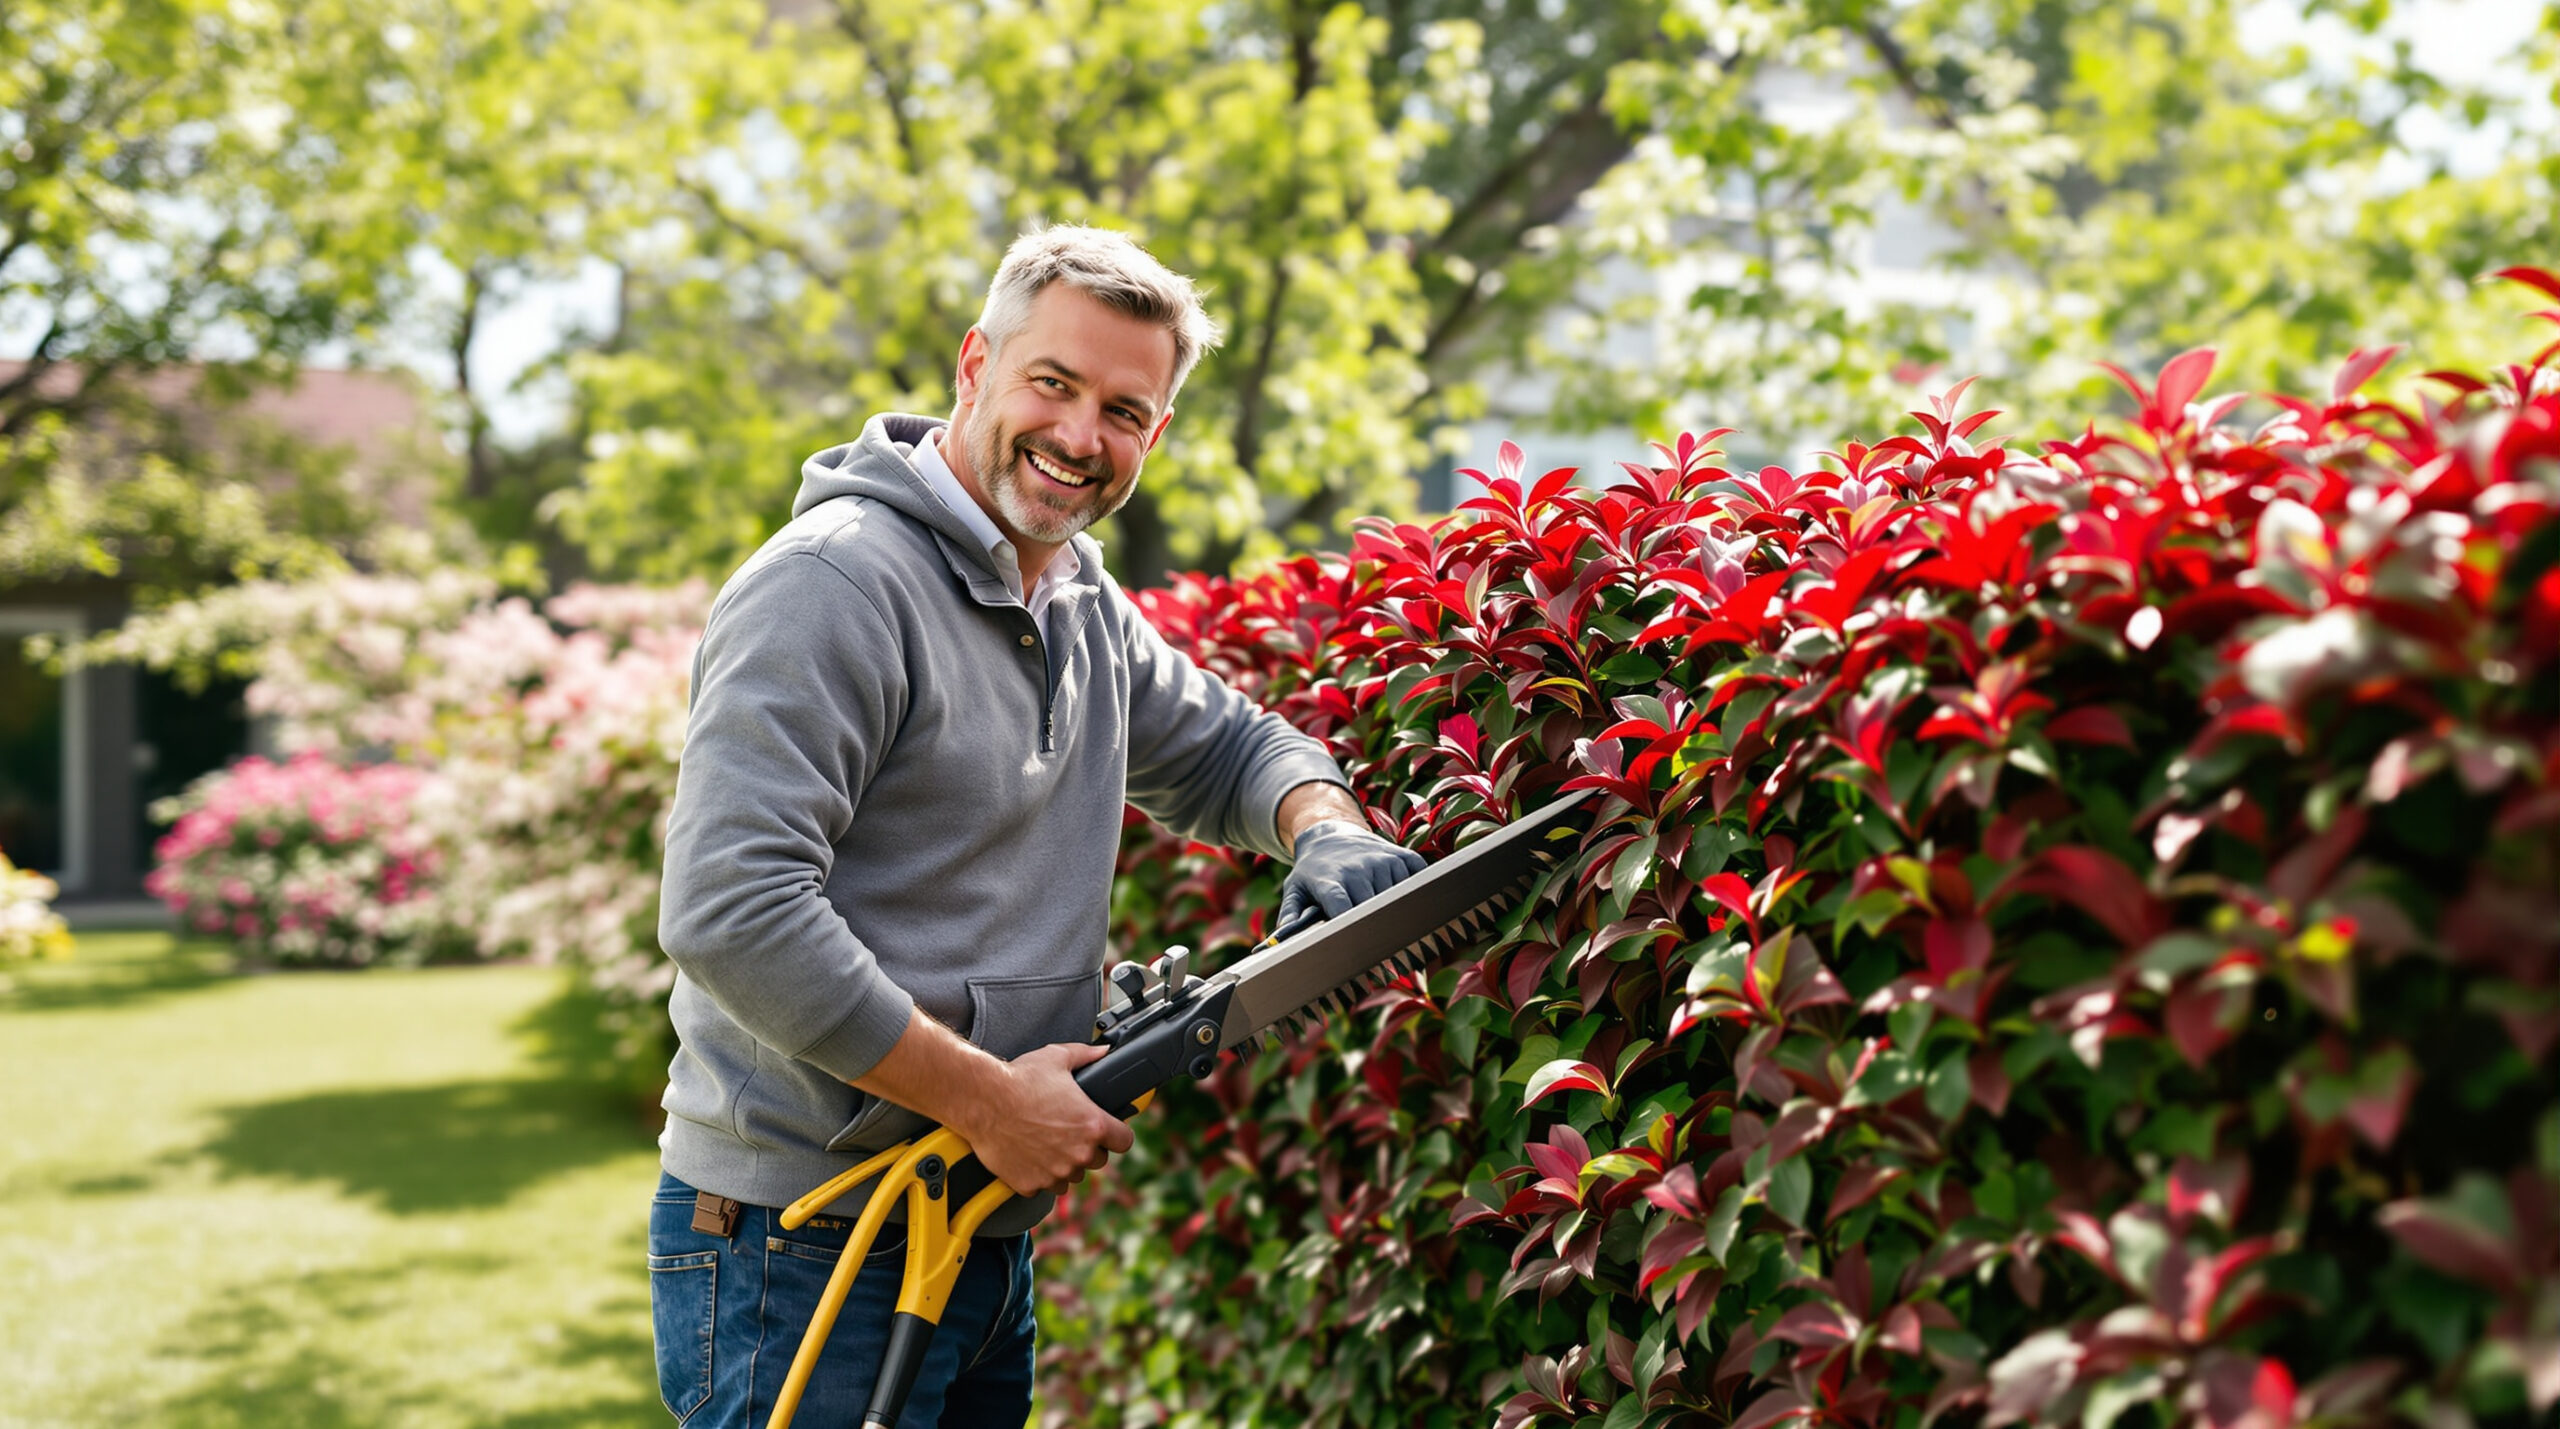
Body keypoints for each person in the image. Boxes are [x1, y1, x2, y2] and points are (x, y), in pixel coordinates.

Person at [647, 225, 1425, 1428]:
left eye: (1124, 408)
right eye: (1051, 384)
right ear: (975, 366)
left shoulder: (1073, 598)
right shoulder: (835, 585)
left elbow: (1228, 748)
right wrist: (987, 1100)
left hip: (968, 1230)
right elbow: (731, 912)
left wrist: (1320, 824)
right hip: (796, 1248)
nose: (1079, 436)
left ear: (1155, 433)